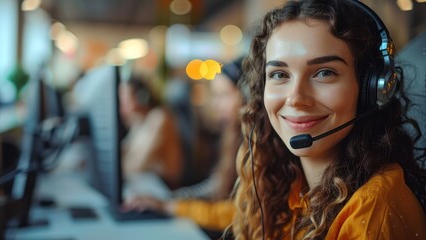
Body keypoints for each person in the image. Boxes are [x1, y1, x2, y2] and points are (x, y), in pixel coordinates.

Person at [230, 0, 426, 239]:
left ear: (371, 89)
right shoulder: (288, 185)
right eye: (279, 74)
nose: (296, 98)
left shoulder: (374, 208)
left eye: (324, 73)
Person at [122, 57, 244, 232]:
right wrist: (171, 200)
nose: (216, 105)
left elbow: (237, 214)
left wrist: (171, 206)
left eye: (224, 96)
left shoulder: (256, 145)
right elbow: (215, 186)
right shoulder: (232, 135)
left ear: (250, 96)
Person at [119, 76, 184, 189]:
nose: (121, 104)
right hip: (147, 183)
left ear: (141, 97)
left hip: (165, 187)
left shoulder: (159, 118)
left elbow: (136, 166)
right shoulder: (138, 121)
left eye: (125, 98)